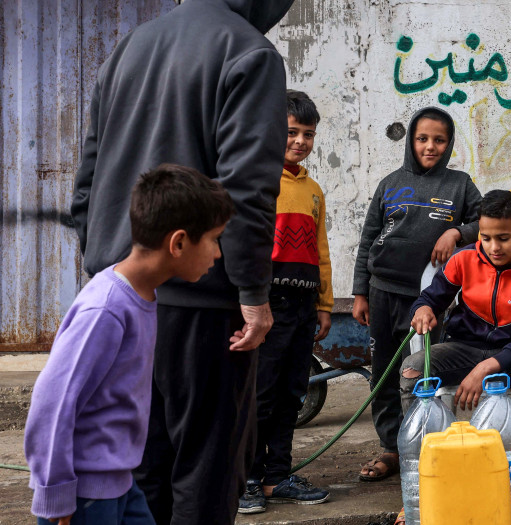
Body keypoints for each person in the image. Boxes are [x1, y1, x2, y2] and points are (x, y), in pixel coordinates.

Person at [70, 1, 294, 522]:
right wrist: (253, 295)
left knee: (139, 464)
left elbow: (88, 177)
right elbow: (246, 189)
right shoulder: (249, 52)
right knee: (208, 467)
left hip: (123, 290)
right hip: (203, 301)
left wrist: (104, 264)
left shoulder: (128, 48)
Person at [27, 165, 234, 525]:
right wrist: (55, 492)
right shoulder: (105, 309)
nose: (218, 254)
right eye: (215, 239)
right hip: (84, 497)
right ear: (179, 242)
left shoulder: (144, 295)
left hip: (121, 484)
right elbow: (53, 401)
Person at [352, 107, 482, 481]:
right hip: (382, 293)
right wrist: (360, 292)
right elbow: (367, 241)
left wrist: (456, 232)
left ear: (449, 143)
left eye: (439, 140)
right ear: (411, 140)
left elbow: (484, 219)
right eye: (422, 138)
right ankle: (392, 448)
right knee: (384, 373)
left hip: (429, 300)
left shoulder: (460, 185)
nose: (430, 147)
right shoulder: (390, 183)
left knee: (423, 373)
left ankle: (426, 443)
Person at [239, 91, 333, 514]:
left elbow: (321, 250)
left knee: (292, 393)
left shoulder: (313, 190)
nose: (299, 141)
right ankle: (247, 480)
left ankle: (277, 476)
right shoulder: (256, 182)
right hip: (266, 302)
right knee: (260, 393)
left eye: (307, 134)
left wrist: (324, 304)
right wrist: (250, 302)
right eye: (291, 132)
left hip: (301, 304)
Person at [401, 189, 511, 413]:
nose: (494, 247)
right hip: (463, 350)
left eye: (504, 238)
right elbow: (430, 298)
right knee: (412, 369)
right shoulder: (463, 258)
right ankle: (422, 444)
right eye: (486, 238)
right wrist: (423, 309)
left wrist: (485, 368)